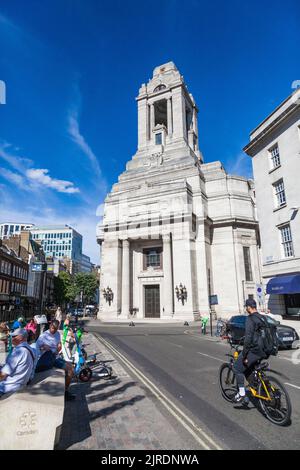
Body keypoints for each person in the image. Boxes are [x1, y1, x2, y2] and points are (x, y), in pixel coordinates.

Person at [233, 299, 268, 404]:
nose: (246, 309)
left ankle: (242, 394)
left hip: (255, 350)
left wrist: (244, 353)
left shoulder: (250, 319)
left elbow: (248, 338)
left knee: (237, 368)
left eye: (246, 307)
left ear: (248, 307)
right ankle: (258, 385)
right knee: (249, 367)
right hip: (265, 350)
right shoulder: (262, 317)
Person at [36, 320, 75, 401]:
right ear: (50, 325)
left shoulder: (57, 333)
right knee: (69, 369)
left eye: (56, 329)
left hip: (55, 356)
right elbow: (36, 349)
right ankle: (65, 393)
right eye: (52, 328)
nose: (53, 330)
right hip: (47, 359)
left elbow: (58, 343)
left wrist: (59, 345)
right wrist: (43, 347)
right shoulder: (43, 336)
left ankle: (65, 390)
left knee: (71, 368)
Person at [0, 328, 36, 397]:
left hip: (8, 387)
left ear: (20, 338)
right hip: (21, 383)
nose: (11, 338)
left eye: (14, 336)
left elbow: (3, 375)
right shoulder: (31, 349)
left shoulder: (18, 352)